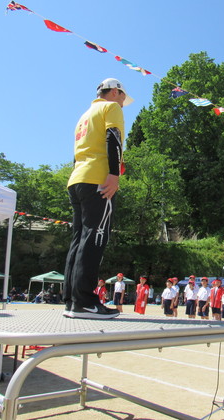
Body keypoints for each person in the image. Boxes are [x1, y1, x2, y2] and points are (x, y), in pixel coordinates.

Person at [62, 78, 133, 320]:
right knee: (95, 237)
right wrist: (113, 174)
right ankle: (85, 301)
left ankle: (71, 300)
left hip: (78, 178)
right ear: (114, 92)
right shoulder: (111, 107)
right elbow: (114, 137)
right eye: (122, 98)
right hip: (99, 180)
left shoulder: (84, 116)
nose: (122, 104)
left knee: (79, 239)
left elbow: (77, 154)